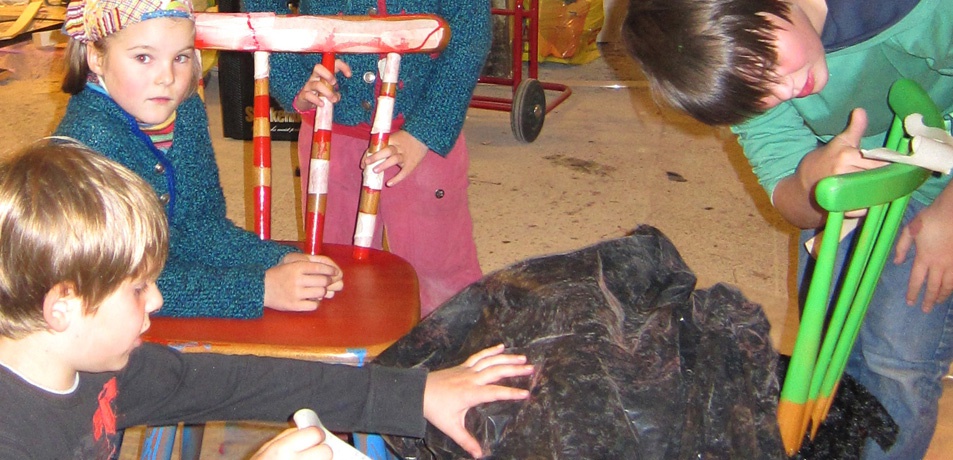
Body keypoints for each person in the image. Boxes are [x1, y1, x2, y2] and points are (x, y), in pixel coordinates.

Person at [0, 139, 534, 459]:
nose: (158, 300)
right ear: (62, 307)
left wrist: (415, 395)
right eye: (138, 288)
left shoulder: (94, 367)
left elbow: (236, 382)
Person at [622, 0, 953, 458]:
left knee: (898, 362)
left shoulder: (920, 10)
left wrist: (948, 216)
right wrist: (811, 180)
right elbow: (788, 188)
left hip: (940, 196)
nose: (785, 90)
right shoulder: (743, 72)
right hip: (852, 186)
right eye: (757, 94)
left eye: (768, 66)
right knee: (824, 349)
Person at [53, 0, 343, 319]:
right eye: (143, 57)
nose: (167, 78)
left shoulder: (185, 110)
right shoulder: (86, 142)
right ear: (96, 57)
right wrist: (260, 288)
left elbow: (201, 227)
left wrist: (277, 259)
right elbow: (117, 282)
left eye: (181, 57)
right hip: (102, 318)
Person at [240, 0, 488, 317]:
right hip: (330, 132)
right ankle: (349, 344)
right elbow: (262, 7)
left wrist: (426, 130)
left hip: (422, 132)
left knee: (439, 273)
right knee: (335, 269)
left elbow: (470, 29)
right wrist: (294, 81)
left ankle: (451, 344)